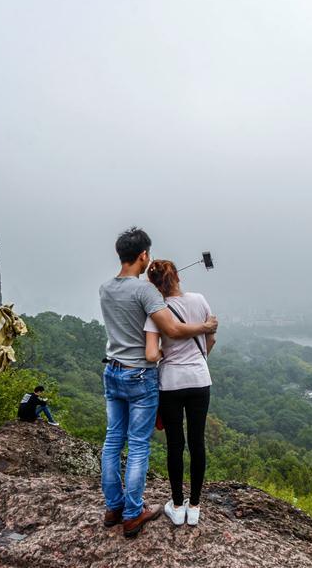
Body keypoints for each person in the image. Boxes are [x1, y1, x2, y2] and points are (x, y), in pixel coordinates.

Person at [99, 227, 218, 538]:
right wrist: (205, 326)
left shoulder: (105, 289)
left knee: (114, 440)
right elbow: (174, 332)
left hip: (112, 370)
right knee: (140, 444)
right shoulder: (147, 294)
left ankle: (113, 506)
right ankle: (134, 511)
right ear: (142, 255)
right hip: (141, 374)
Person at [144, 260, 216, 527]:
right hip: (199, 379)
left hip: (171, 382)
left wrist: (170, 354)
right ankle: (194, 507)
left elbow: (152, 353)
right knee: (197, 442)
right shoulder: (199, 300)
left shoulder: (156, 310)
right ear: (176, 277)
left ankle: (176, 505)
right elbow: (212, 336)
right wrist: (199, 360)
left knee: (176, 444)